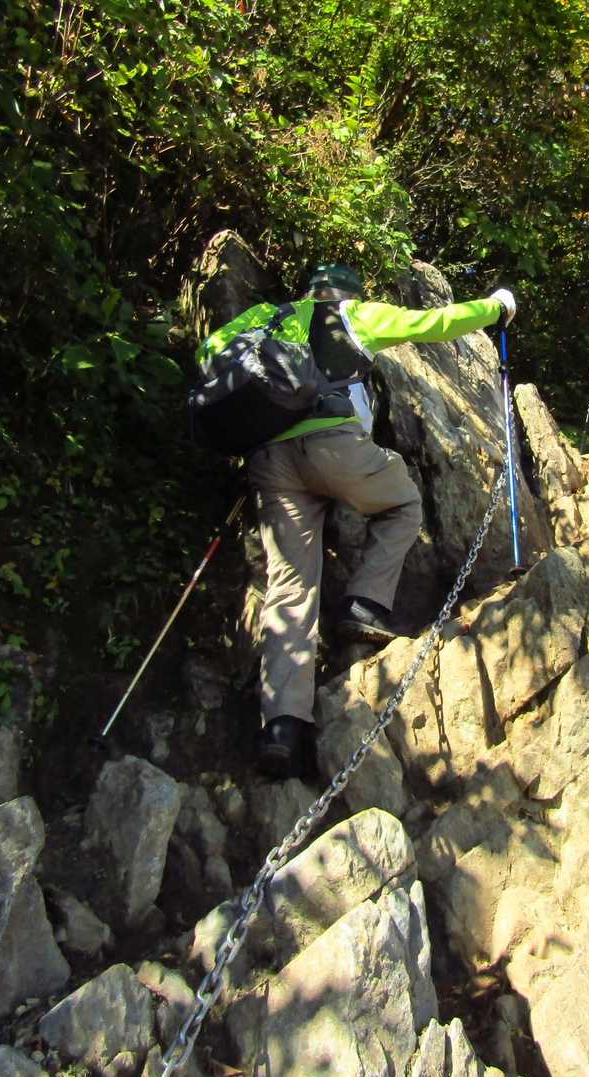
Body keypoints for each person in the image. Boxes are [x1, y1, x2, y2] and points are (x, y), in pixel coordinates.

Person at [204, 263, 516, 779]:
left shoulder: (266, 317)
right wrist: (497, 307)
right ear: (350, 292)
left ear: (309, 290)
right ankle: (365, 604)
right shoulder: (353, 315)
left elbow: (209, 352)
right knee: (403, 504)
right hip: (334, 447)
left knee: (290, 589)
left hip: (270, 462)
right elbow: (434, 324)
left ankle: (282, 729)